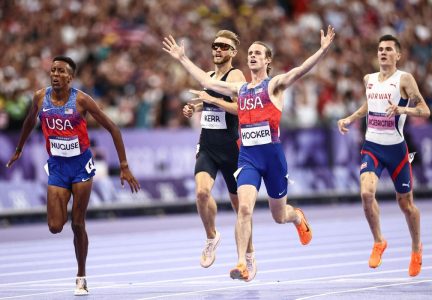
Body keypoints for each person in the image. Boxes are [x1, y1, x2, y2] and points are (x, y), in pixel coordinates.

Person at [163, 25, 335, 281]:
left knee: (279, 215)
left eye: (258, 53)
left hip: (273, 157)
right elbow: (207, 82)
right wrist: (182, 58)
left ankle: (296, 217)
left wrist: (321, 50)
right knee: (244, 209)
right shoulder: (241, 89)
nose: (252, 56)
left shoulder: (274, 85)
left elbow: (300, 71)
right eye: (250, 53)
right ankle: (242, 262)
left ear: (267, 60)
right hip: (248, 157)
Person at [6, 56, 141, 295]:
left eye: (61, 71)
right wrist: (18, 149)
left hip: (80, 167)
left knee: (78, 223)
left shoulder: (81, 100)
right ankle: (63, 204)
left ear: (71, 77)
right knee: (55, 226)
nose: (55, 75)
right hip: (57, 167)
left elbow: (114, 128)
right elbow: (28, 121)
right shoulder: (40, 97)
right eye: (53, 70)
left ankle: (81, 275)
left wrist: (124, 165)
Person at [337, 35, 430, 277]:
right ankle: (379, 241)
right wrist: (350, 117)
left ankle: (416, 249)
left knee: (406, 204)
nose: (383, 52)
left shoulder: (404, 79)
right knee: (366, 193)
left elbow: (425, 110)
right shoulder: (368, 79)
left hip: (397, 150)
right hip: (372, 146)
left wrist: (403, 109)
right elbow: (369, 105)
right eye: (380, 49)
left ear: (398, 55)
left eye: (388, 49)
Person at [181, 30, 256, 279]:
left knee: (240, 208)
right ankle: (212, 236)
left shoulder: (235, 76)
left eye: (223, 47)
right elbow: (211, 100)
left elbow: (239, 109)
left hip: (231, 148)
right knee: (202, 193)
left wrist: (207, 99)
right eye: (215, 46)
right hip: (208, 145)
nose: (217, 50)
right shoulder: (211, 76)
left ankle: (248, 254)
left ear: (233, 52)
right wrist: (196, 106)